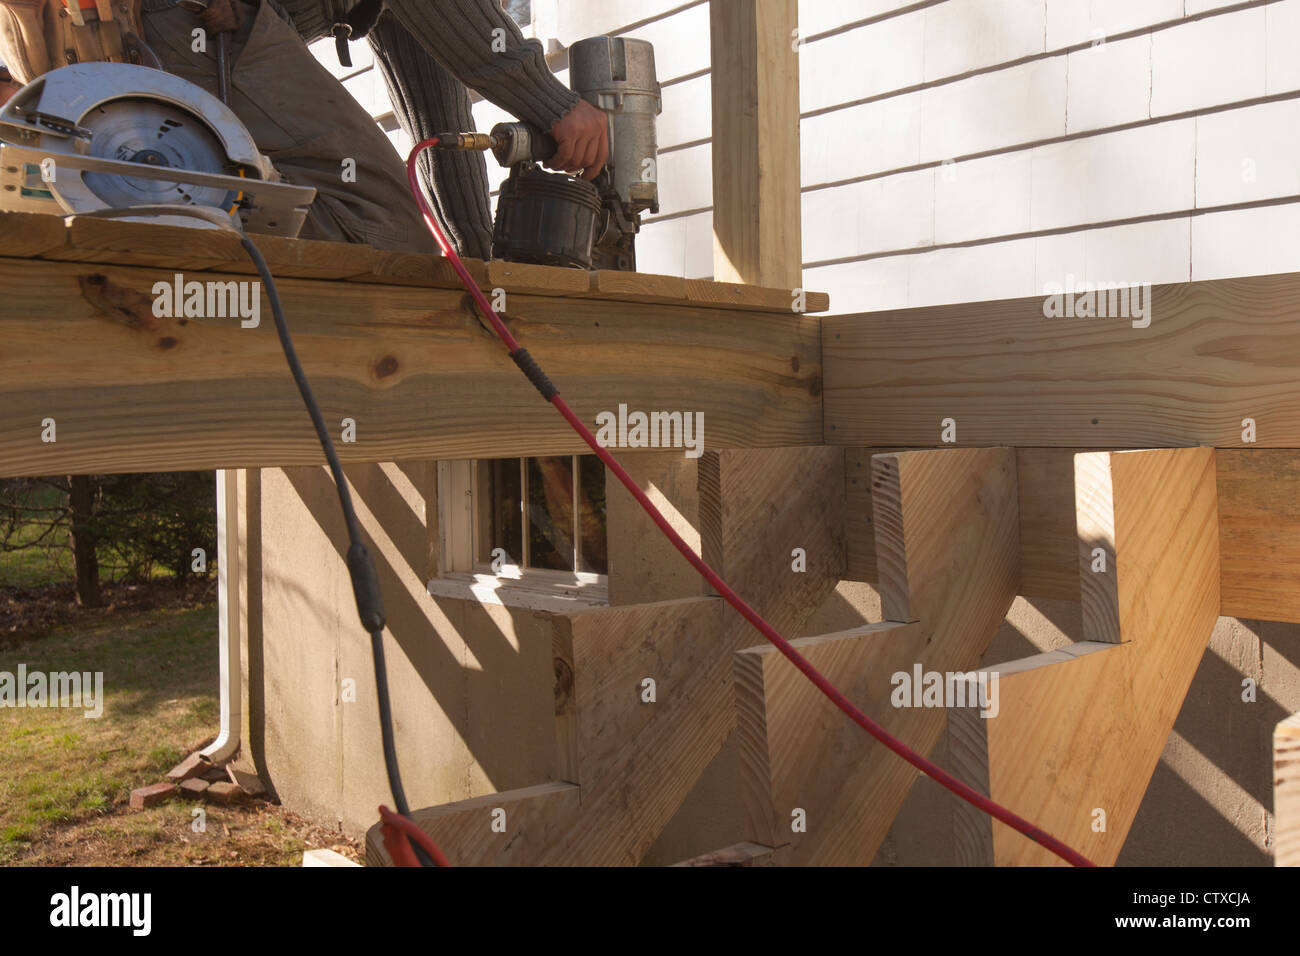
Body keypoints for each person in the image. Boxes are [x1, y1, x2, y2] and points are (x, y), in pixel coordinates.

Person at [0, 0, 609, 254]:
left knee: (389, 226)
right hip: (180, 22)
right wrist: (550, 102)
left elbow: (420, 34)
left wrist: (477, 258)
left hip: (179, 27)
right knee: (378, 227)